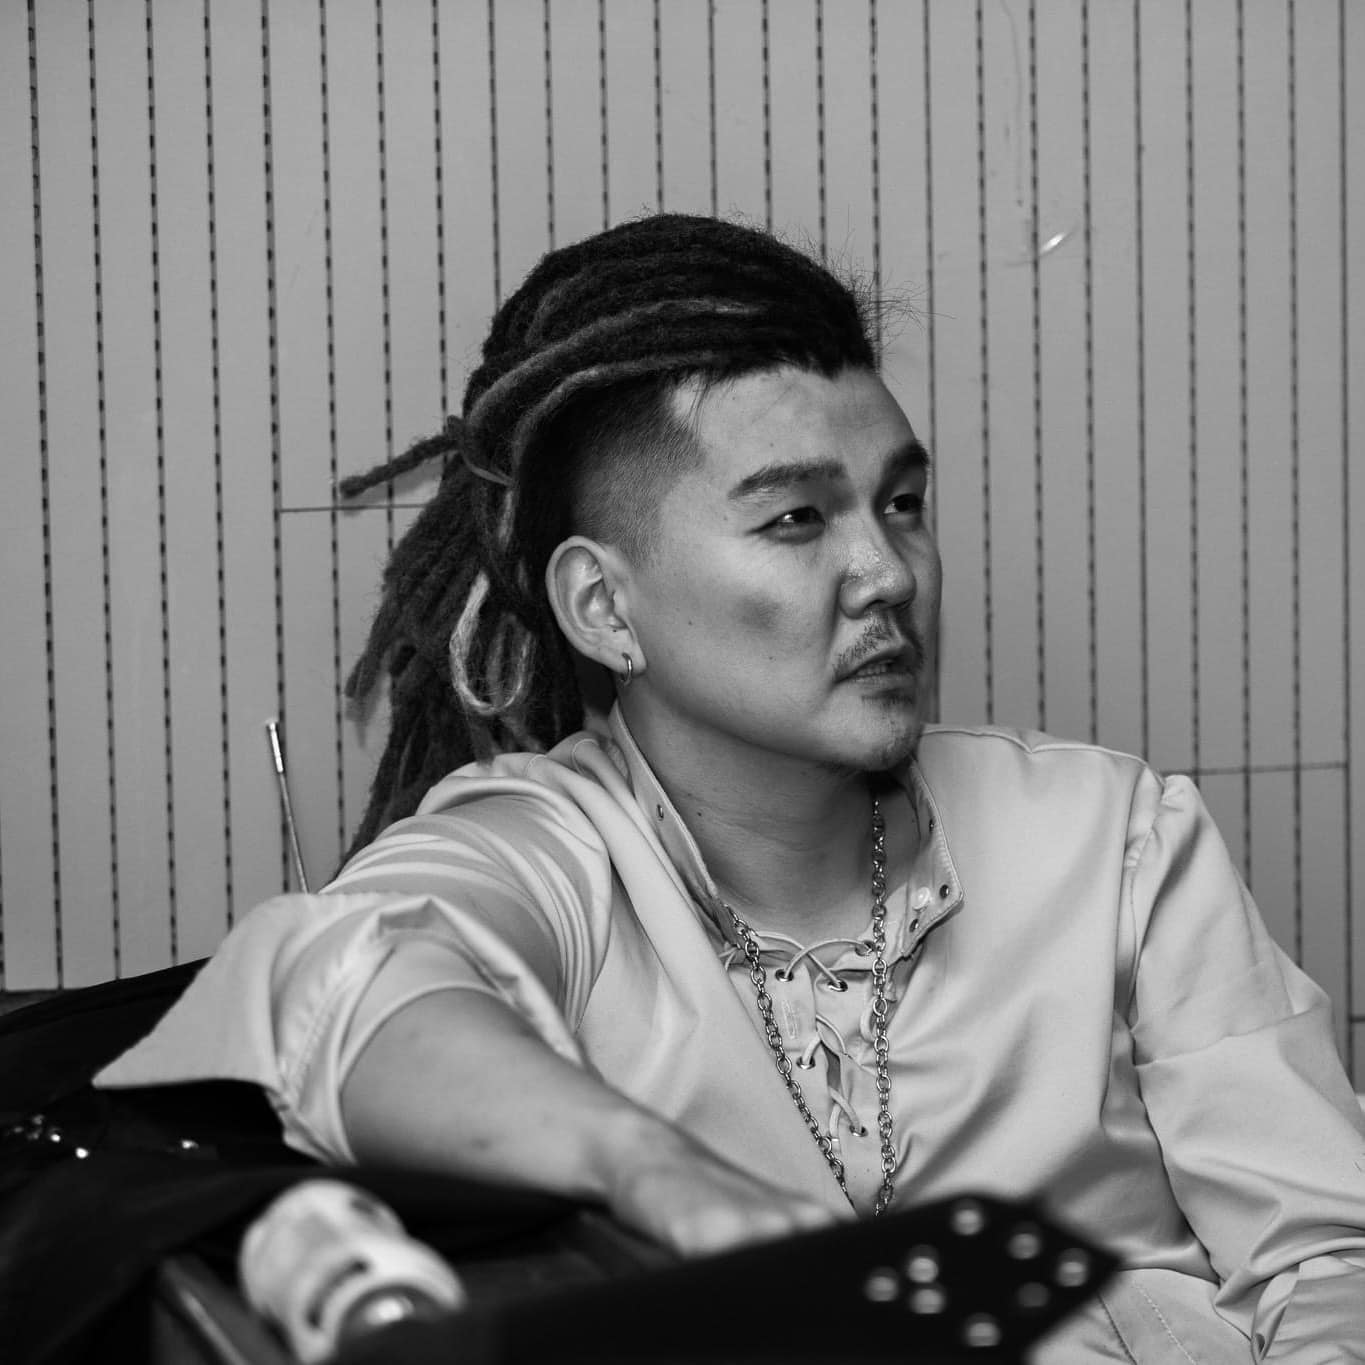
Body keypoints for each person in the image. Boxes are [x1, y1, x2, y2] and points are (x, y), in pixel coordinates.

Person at [97, 213, 1365, 1360]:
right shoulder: (548, 856)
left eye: (903, 503)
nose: (889, 573)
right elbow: (326, 985)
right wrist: (660, 1174)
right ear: (605, 607)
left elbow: (1329, 1257)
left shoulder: (1113, 836)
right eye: (797, 520)